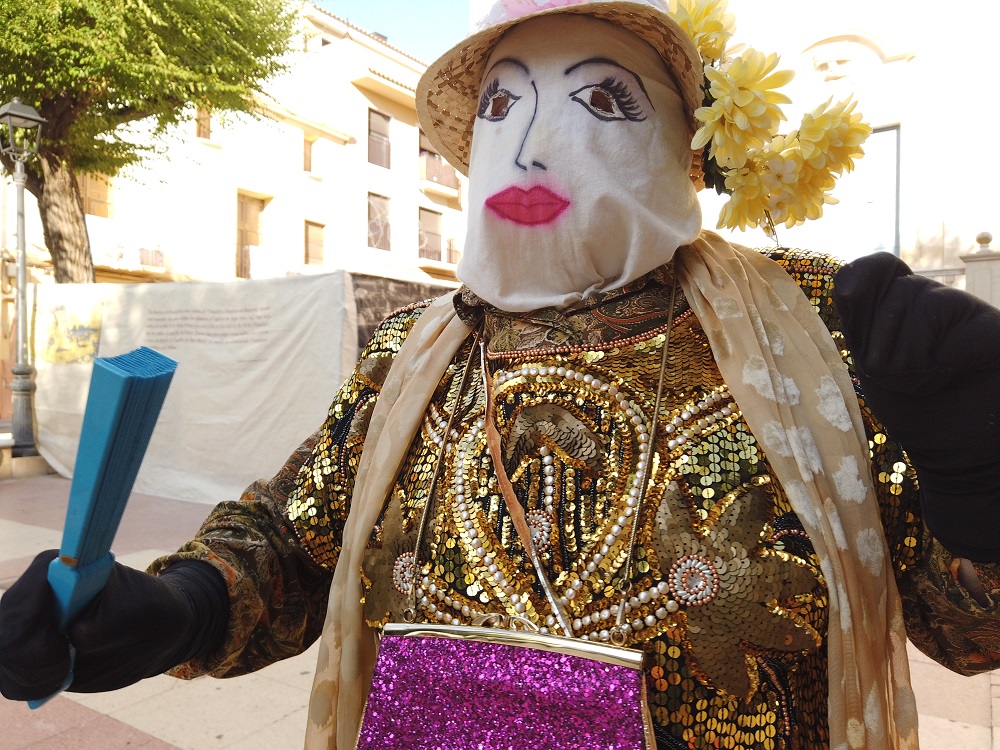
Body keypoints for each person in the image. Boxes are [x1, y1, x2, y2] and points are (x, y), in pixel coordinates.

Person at [2, 1, 999, 748]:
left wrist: (980, 483)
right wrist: (180, 607)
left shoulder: (810, 331)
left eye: (599, 100)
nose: (526, 149)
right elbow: (292, 542)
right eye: (499, 104)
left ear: (673, 141)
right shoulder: (412, 352)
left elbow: (966, 628)